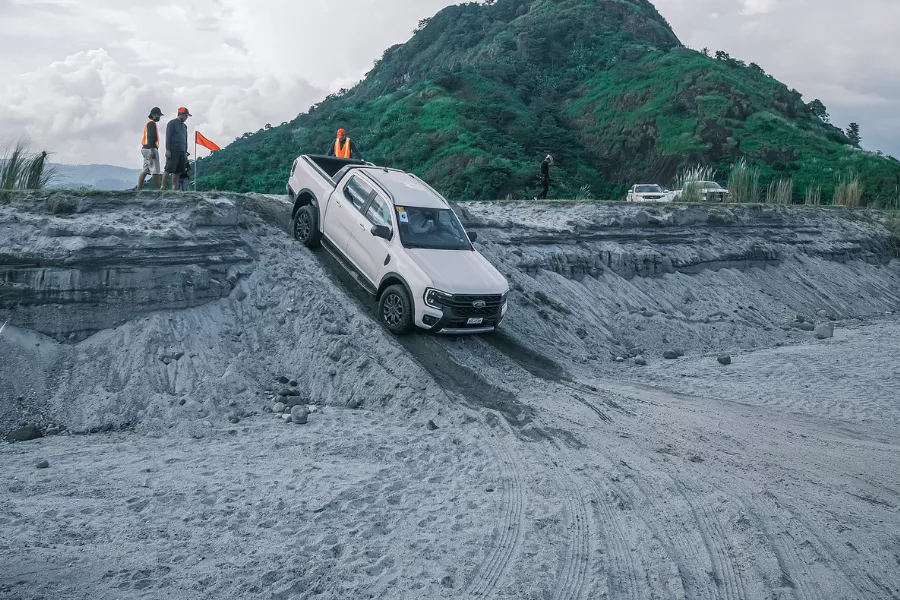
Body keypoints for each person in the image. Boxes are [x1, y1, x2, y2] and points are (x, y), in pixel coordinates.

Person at [161, 107, 191, 190]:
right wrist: (167, 149)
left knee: (177, 171)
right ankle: (163, 186)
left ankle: (175, 187)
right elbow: (168, 137)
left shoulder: (185, 126)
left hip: (182, 151)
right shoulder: (172, 123)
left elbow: (185, 139)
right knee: (168, 169)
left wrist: (185, 152)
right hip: (173, 150)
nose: (186, 118)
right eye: (185, 116)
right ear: (181, 114)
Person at [137, 107, 163, 190]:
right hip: (150, 149)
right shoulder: (152, 124)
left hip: (144, 148)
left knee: (145, 170)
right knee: (154, 171)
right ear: (154, 115)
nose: (159, 117)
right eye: (158, 115)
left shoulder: (148, 123)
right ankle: (159, 189)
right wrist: (152, 150)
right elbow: (150, 137)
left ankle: (138, 188)